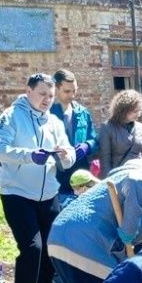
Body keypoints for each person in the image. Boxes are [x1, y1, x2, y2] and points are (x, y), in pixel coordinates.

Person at [0, 72, 76, 283]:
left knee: (51, 247)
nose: (47, 100)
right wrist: (29, 156)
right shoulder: (11, 116)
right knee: (32, 249)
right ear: (28, 91)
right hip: (17, 193)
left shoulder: (54, 122)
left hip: (49, 193)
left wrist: (66, 156)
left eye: (50, 95)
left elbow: (68, 154)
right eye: (42, 94)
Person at [50, 69, 99, 201]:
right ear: (56, 89)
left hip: (81, 177)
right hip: (58, 178)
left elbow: (94, 140)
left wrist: (87, 146)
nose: (72, 95)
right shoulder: (47, 115)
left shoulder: (82, 112)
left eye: (74, 91)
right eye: (67, 91)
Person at [98, 89, 142, 175]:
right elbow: (105, 160)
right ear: (124, 110)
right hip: (119, 176)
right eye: (135, 111)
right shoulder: (107, 127)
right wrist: (108, 181)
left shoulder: (140, 127)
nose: (138, 114)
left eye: (140, 111)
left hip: (140, 174)